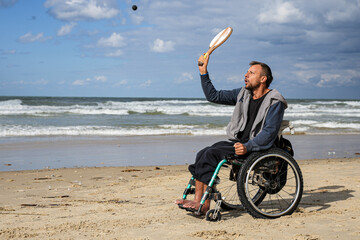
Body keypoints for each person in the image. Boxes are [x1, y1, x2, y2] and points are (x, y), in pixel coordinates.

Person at [175, 53, 287, 215]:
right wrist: (203, 72)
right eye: (247, 72)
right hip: (240, 143)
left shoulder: (275, 101)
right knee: (203, 153)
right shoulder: (243, 94)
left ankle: (203, 204)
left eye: (251, 73)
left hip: (258, 147)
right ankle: (198, 200)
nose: (246, 75)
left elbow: (269, 133)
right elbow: (213, 96)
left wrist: (248, 146)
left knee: (211, 154)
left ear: (263, 79)